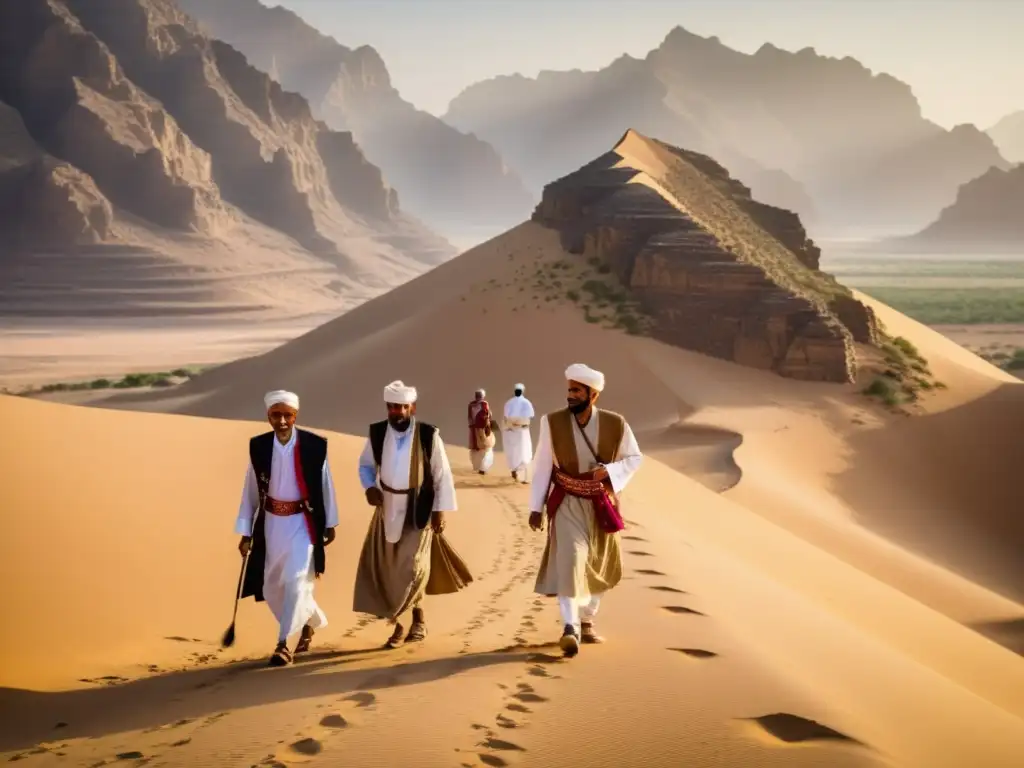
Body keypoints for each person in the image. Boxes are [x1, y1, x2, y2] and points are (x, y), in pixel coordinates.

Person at [528, 364, 643, 658]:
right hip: (566, 501)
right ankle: (570, 627)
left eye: (576, 390)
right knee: (571, 559)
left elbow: (634, 458)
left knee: (598, 563)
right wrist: (535, 507)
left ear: (593, 395)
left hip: (601, 504)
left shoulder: (616, 424)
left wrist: (609, 472)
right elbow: (542, 465)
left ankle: (587, 620)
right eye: (569, 389)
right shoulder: (551, 422)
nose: (570, 395)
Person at [354, 380, 473, 648]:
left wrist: (440, 511)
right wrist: (370, 487)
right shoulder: (376, 433)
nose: (397, 412)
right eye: (392, 407)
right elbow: (364, 466)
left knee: (413, 568)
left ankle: (411, 621)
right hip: (386, 510)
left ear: (412, 407)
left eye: (402, 407)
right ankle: (404, 622)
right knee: (388, 571)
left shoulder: (428, 435)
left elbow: (441, 475)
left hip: (419, 509)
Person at [235, 390, 339, 667]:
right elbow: (251, 491)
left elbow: (325, 485)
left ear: (296, 416)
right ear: (268, 416)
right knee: (271, 587)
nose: (282, 421)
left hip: (302, 523)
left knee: (295, 580)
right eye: (276, 415)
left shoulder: (314, 446)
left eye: (287, 415)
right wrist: (246, 532)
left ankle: (283, 644)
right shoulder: (258, 447)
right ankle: (309, 622)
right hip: (271, 525)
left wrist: (329, 523)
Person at [502, 383, 535, 483]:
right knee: (523, 451)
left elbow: (506, 415)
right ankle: (523, 476)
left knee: (513, 451)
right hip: (522, 431)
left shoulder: (509, 402)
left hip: (511, 430)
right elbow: (531, 415)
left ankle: (515, 471)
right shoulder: (526, 402)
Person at [467, 388, 496, 474]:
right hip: (483, 430)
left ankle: (477, 466)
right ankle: (483, 468)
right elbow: (487, 416)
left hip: (473, 430)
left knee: (476, 449)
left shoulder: (471, 405)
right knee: (486, 448)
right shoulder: (484, 404)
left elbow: (469, 418)